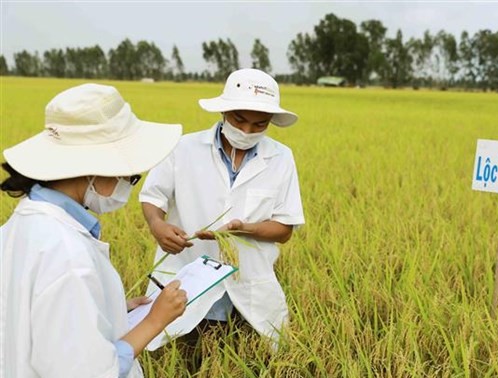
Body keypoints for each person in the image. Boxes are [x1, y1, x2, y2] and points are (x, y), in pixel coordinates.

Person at [0, 83, 187, 378]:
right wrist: (154, 321)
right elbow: (88, 371)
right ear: (94, 168)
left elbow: (40, 315)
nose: (128, 184)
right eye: (130, 176)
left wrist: (111, 310)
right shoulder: (68, 255)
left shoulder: (22, 223)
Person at [139, 68, 305, 346]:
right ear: (224, 112)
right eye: (239, 120)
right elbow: (153, 197)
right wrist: (157, 225)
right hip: (187, 282)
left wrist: (245, 229)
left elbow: (284, 229)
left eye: (259, 125)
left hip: (248, 292)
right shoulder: (183, 148)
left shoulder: (280, 158)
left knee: (250, 357)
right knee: (180, 356)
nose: (246, 131)